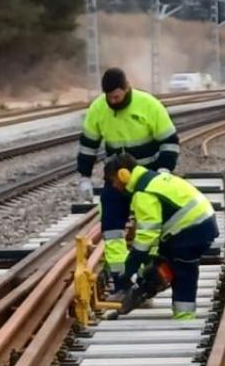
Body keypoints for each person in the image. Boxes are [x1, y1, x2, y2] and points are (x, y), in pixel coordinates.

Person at [76, 68, 180, 292]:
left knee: (149, 226)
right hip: (116, 180)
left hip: (147, 178)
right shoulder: (98, 109)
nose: (113, 101)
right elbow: (88, 145)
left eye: (117, 96)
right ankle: (120, 280)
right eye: (109, 97)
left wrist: (164, 170)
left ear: (126, 88)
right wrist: (84, 176)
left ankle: (148, 278)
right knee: (111, 227)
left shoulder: (149, 105)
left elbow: (170, 141)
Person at [103, 153, 217, 321]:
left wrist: (130, 267)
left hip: (191, 230)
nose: (114, 186)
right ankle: (181, 312)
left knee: (183, 270)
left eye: (113, 180)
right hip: (201, 225)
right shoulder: (154, 179)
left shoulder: (144, 193)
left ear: (123, 175)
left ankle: (184, 317)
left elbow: (147, 236)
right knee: (168, 266)